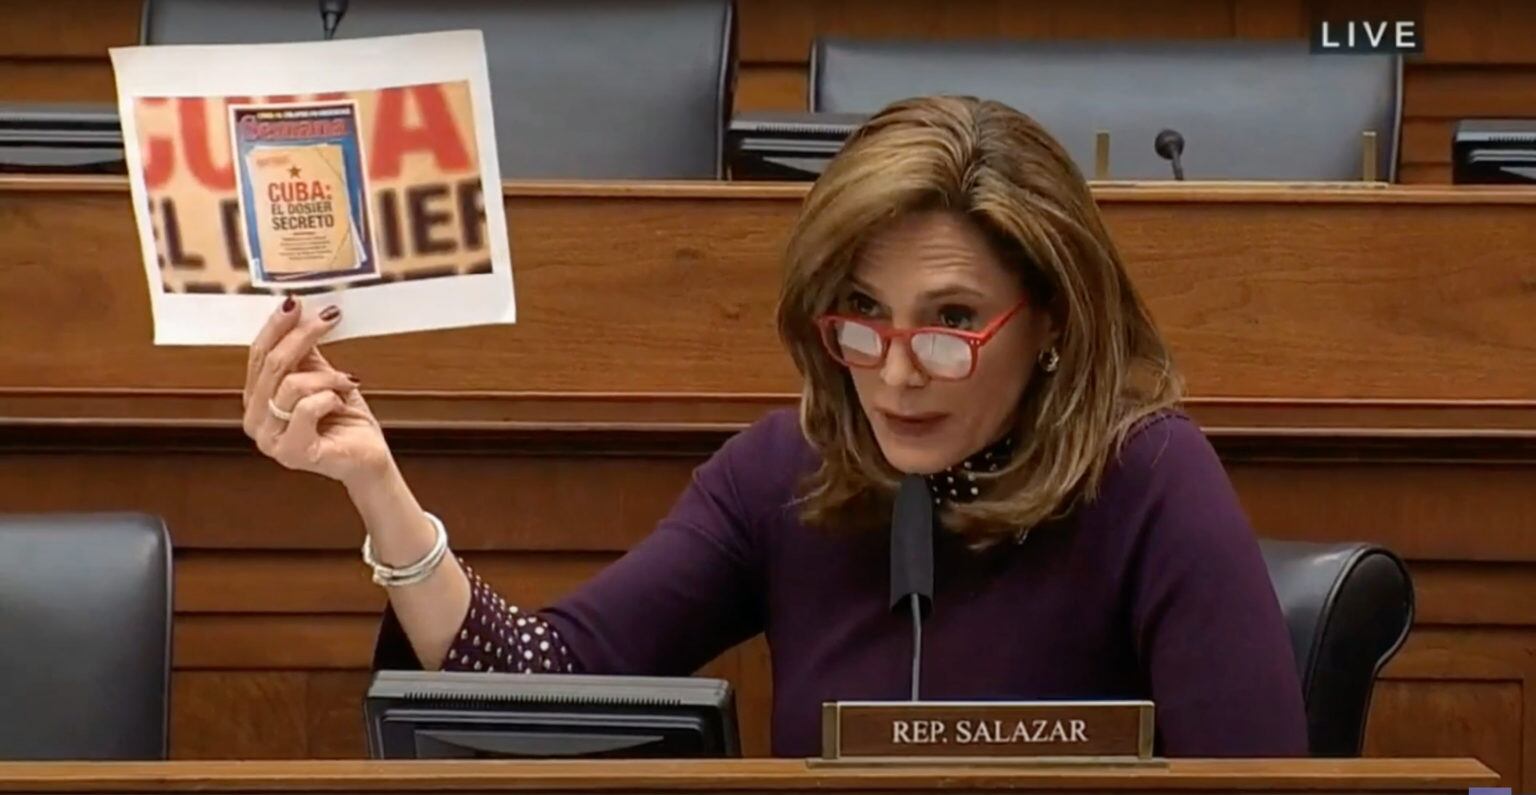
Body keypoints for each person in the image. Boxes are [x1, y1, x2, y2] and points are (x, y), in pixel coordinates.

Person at [242, 95, 1309, 758]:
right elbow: (539, 686)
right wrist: (375, 485)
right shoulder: (787, 472)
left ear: (1055, 322)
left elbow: (1258, 782)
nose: (896, 373)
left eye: (951, 322)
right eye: (863, 317)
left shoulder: (1148, 478)